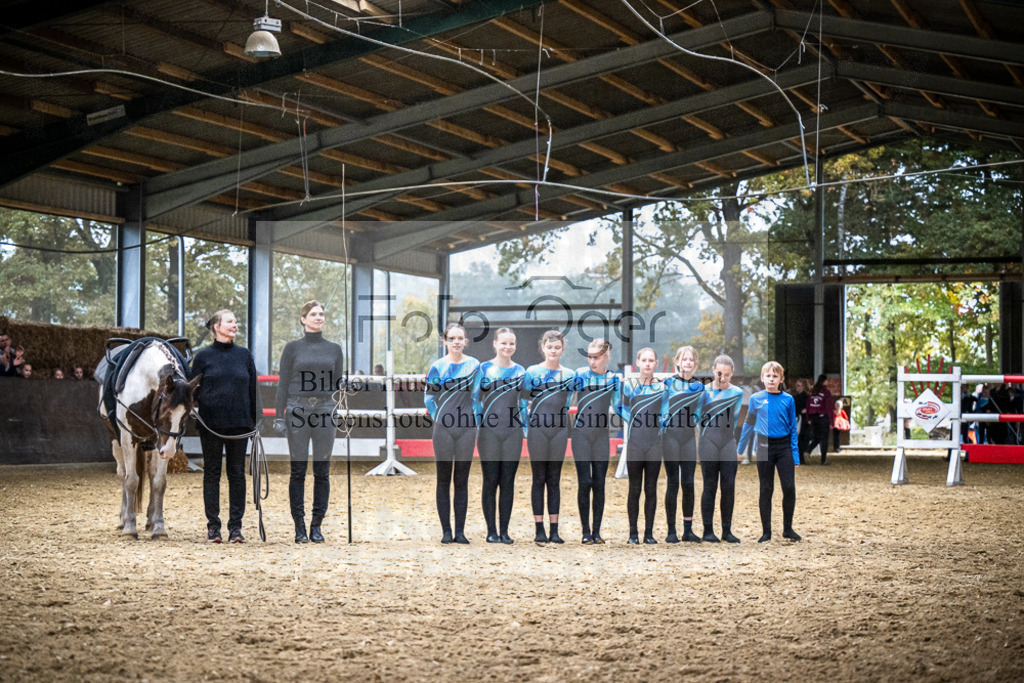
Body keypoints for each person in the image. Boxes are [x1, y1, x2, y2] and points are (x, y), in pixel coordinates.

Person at [275, 300, 344, 544]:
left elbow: (338, 383)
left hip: (325, 409)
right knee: (298, 470)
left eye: (321, 314)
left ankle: (317, 525)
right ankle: (299, 527)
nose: (318, 317)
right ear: (303, 319)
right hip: (297, 409)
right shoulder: (292, 348)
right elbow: (283, 383)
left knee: (322, 470)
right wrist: (279, 416)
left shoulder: (335, 349)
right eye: (313, 314)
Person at [191, 310, 262, 543]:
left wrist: (256, 421)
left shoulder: (244, 355)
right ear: (216, 326)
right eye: (230, 321)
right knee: (211, 474)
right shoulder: (202, 357)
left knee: (237, 474)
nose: (235, 324)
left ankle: (236, 528)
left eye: (235, 320)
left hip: (239, 425)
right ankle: (213, 527)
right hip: (211, 425)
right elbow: (194, 391)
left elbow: (253, 389)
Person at [424, 322, 480, 545]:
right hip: (444, 428)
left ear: (465, 341)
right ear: (445, 341)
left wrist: (474, 420)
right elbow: (429, 398)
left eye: (460, 338)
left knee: (462, 480)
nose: (457, 342)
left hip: (467, 427)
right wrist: (440, 419)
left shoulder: (474, 365)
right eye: (452, 338)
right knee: (443, 478)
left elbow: (476, 397)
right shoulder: (437, 366)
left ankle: (460, 531)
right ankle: (446, 531)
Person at [737, 361, 800, 543]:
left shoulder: (788, 400)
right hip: (763, 445)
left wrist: (795, 454)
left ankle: (788, 529)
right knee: (766, 488)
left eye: (775, 376)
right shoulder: (756, 399)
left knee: (789, 487)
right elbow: (748, 424)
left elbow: (793, 428)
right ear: (763, 378)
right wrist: (740, 449)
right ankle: (766, 532)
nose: (771, 379)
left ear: (781, 379)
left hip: (784, 446)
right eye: (768, 376)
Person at [522, 330, 574, 544]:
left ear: (562, 349)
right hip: (537, 430)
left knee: (554, 479)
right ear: (543, 347)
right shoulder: (532, 372)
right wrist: (527, 428)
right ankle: (539, 529)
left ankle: (554, 529)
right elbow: (522, 401)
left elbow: (568, 401)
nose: (553, 350)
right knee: (538, 478)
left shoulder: (569, 375)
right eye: (549, 347)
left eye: (557, 347)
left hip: (559, 431)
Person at [475, 328, 526, 544]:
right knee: (490, 480)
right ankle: (491, 531)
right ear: (495, 344)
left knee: (508, 481)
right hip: (489, 433)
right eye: (503, 343)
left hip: (512, 432)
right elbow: (475, 399)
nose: (507, 347)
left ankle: (504, 531)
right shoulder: (484, 369)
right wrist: (479, 425)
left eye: (511, 344)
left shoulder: (520, 371)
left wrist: (524, 429)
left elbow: (522, 402)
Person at [571, 338, 620, 545]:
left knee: (599, 483)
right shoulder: (580, 375)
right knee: (585, 482)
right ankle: (585, 531)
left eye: (597, 357)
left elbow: (618, 407)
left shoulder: (614, 379)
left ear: (606, 356)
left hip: (601, 435)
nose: (592, 361)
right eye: (590, 357)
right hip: (581, 434)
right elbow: (564, 400)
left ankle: (597, 532)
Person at [620, 347, 665, 545]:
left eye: (651, 360)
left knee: (651, 488)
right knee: (634, 488)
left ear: (656, 364)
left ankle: (648, 533)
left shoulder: (662, 388)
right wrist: (632, 420)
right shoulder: (629, 385)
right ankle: (632, 534)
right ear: (637, 363)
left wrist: (660, 424)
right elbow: (620, 407)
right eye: (644, 360)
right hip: (635, 443)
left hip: (654, 443)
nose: (647, 363)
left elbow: (665, 411)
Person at [661, 345, 704, 543]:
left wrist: (693, 421)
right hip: (670, 437)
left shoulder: (699, 386)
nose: (688, 362)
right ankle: (671, 530)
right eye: (684, 359)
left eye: (691, 360)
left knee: (688, 482)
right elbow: (661, 409)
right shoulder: (668, 384)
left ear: (695, 364)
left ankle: (688, 529)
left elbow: (699, 411)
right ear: (678, 362)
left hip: (688, 437)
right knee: (673, 482)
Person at [699, 354, 744, 543]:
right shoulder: (703, 391)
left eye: (726, 374)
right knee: (710, 485)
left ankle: (727, 531)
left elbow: (733, 418)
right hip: (708, 441)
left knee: (728, 486)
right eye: (719, 373)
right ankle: (708, 531)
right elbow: (697, 417)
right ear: (713, 370)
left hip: (727, 442)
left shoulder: (737, 393)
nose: (722, 377)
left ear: (732, 373)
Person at [804, 374, 834, 465]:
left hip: (814, 418)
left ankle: (808, 451)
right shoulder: (825, 392)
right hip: (823, 418)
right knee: (824, 439)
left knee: (816, 437)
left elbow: (808, 405)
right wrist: (831, 421)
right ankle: (823, 460)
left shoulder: (812, 392)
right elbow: (828, 407)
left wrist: (808, 417)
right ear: (824, 381)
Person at [791, 379, 810, 464]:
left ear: (803, 387)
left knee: (802, 438)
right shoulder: (796, 397)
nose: (797, 388)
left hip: (803, 419)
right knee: (800, 438)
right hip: (799, 418)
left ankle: (802, 457)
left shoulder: (804, 397)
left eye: (799, 386)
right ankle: (801, 457)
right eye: (796, 386)